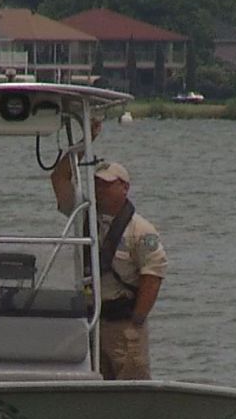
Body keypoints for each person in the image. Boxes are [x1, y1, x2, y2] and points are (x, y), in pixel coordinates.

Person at [51, 152, 166, 380]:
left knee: (132, 384)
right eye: (96, 184)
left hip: (123, 324)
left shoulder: (141, 230)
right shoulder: (82, 215)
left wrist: (136, 321)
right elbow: (59, 179)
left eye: (106, 185)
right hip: (89, 322)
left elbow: (153, 276)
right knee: (92, 383)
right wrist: (79, 148)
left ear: (124, 188)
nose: (100, 190)